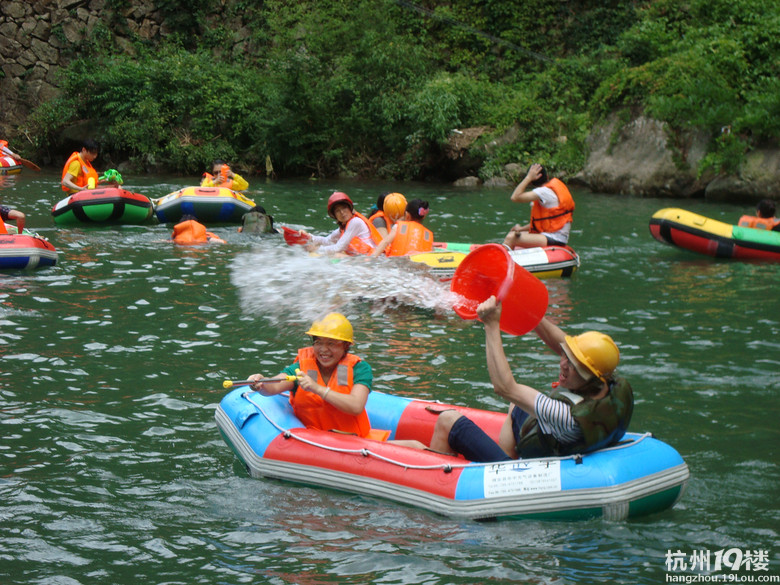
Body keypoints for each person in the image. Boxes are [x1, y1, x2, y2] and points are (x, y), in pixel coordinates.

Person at [422, 296, 633, 462]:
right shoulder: (609, 384)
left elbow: (504, 387)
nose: (563, 365)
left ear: (589, 376)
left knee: (447, 420)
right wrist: (526, 310)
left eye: (573, 366)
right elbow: (562, 344)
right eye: (566, 356)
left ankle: (496, 471)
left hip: (547, 459)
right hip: (566, 444)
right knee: (518, 406)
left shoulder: (565, 417)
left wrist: (491, 325)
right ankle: (504, 458)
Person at [247, 313, 388, 439]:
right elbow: (275, 386)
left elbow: (356, 406)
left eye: (331, 343)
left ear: (345, 346)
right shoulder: (301, 367)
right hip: (314, 443)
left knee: (410, 446)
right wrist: (261, 383)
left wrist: (317, 389)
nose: (323, 350)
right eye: (318, 342)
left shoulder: (359, 368)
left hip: (355, 443)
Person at [502, 163, 575, 249]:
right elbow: (541, 223)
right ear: (547, 176)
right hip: (554, 237)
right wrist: (521, 229)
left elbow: (515, 197)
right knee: (518, 238)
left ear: (532, 181)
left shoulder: (544, 192)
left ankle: (498, 261)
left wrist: (528, 177)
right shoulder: (550, 190)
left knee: (511, 237)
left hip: (555, 238)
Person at [300, 191, 382, 256]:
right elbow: (327, 240)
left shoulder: (355, 222)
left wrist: (316, 249)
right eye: (337, 211)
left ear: (350, 209)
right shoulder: (343, 228)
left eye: (344, 208)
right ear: (335, 215)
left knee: (336, 255)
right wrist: (309, 237)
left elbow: (337, 248)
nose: (342, 212)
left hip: (372, 260)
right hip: (363, 259)